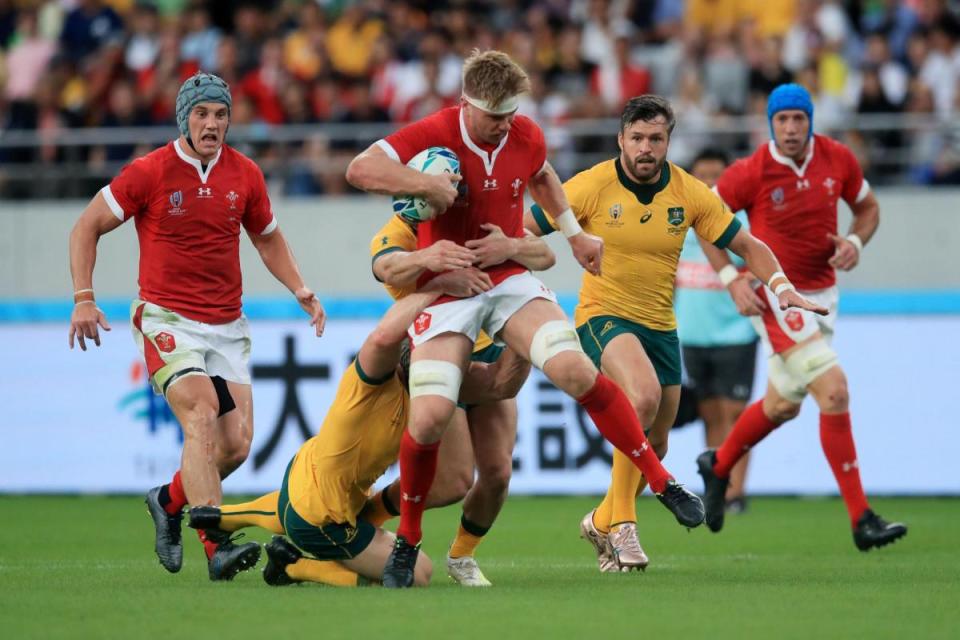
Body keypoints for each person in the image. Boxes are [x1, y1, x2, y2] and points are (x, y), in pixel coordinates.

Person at [347, 50, 705, 589]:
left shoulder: (524, 133)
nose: (503, 126)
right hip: (449, 293)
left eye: (511, 114)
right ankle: (410, 540)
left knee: (577, 373)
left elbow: (543, 176)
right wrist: (425, 188)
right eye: (494, 116)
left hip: (507, 276)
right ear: (466, 104)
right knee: (428, 420)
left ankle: (661, 481)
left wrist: (573, 231)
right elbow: (359, 169)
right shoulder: (435, 132)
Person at [524, 95, 826, 573]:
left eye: (656, 139)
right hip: (603, 316)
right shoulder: (588, 186)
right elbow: (526, 229)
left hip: (662, 327)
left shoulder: (688, 192)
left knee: (656, 444)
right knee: (639, 398)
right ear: (621, 139)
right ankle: (624, 526)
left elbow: (745, 243)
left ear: (668, 142)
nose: (646, 148)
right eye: (638, 138)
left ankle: (601, 518)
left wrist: (781, 286)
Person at [67, 72, 326, 580]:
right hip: (167, 318)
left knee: (235, 445)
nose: (212, 123)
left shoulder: (245, 174)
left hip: (227, 325)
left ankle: (168, 501)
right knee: (202, 414)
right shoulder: (150, 171)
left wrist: (299, 287)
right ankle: (216, 547)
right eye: (202, 113)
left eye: (221, 114)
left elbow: (267, 237)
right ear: (184, 117)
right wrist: (83, 298)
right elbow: (86, 226)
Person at [187, 277, 519, 587]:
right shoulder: (374, 383)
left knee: (316, 498)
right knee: (419, 573)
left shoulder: (429, 401)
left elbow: (499, 384)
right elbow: (383, 337)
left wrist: (524, 324)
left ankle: (225, 516)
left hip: (307, 475)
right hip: (323, 519)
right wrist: (437, 286)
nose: (455, 370)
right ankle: (293, 566)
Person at [696, 83, 908, 551]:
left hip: (824, 296)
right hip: (777, 297)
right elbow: (704, 219)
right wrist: (732, 277)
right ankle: (862, 519)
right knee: (834, 390)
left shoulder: (839, 159)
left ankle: (719, 464)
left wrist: (854, 241)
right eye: (782, 120)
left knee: (781, 405)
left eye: (798, 119)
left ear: (811, 121)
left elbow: (868, 208)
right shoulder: (750, 171)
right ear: (769, 124)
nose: (790, 128)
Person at [365, 213, 553, 586]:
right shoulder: (396, 232)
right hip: (432, 350)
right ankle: (364, 519)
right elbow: (387, 268)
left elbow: (543, 253)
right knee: (452, 483)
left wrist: (515, 247)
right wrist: (431, 261)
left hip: (485, 350)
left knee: (498, 474)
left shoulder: (476, 221)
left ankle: (462, 554)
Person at [675, 148, 758, 514]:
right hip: (693, 334)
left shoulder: (737, 223)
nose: (709, 184)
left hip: (736, 333)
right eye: (702, 176)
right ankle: (719, 487)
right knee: (710, 414)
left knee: (736, 415)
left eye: (716, 176)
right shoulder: (677, 223)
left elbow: (757, 265)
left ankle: (737, 492)